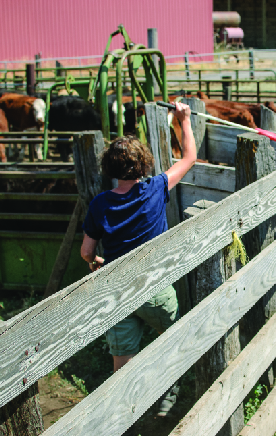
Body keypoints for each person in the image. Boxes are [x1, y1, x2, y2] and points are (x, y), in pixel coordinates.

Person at [80, 101, 196, 417]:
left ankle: (126, 414)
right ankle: (168, 396)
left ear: (109, 168)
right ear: (143, 165)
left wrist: (96, 263)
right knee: (170, 337)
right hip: (155, 287)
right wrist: (183, 121)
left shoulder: (100, 204)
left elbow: (87, 251)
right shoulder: (155, 189)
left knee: (123, 358)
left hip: (117, 290)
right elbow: (189, 158)